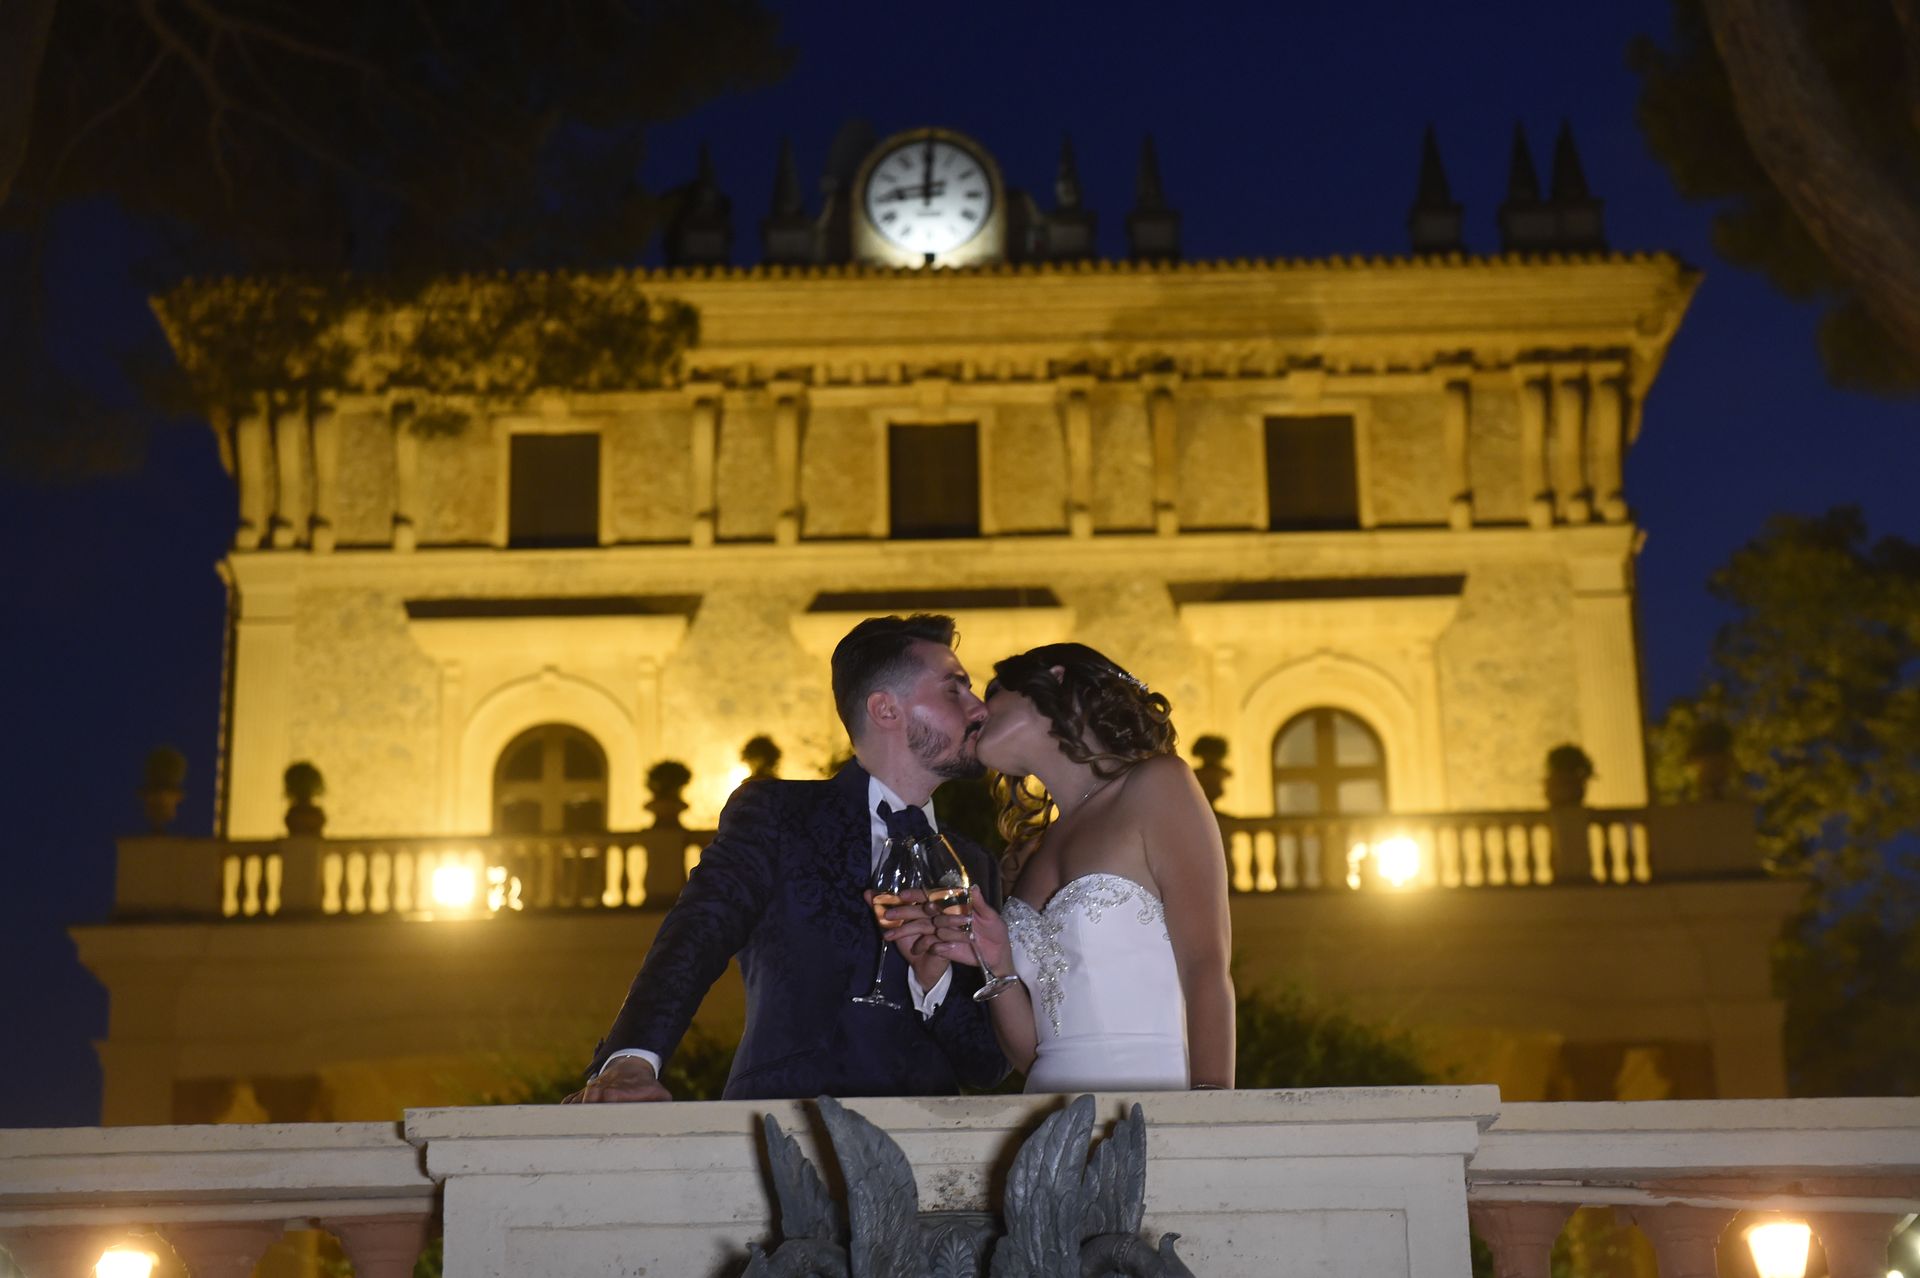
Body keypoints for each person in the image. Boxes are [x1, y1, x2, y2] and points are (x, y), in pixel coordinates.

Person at [567, 614, 1007, 1102]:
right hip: (784, 1127)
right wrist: (632, 1060)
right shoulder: (779, 815)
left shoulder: (976, 864)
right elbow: (696, 935)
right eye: (955, 689)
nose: (979, 708)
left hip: (932, 1150)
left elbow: (987, 1066)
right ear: (885, 709)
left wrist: (937, 981)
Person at [929, 643, 1235, 1093]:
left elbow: (1206, 966)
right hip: (1046, 1122)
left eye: (992, 691)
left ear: (1054, 678)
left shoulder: (1158, 785)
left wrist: (1213, 1120)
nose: (975, 709)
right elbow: (1035, 1055)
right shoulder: (1028, 852)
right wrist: (995, 966)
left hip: (1154, 1106)